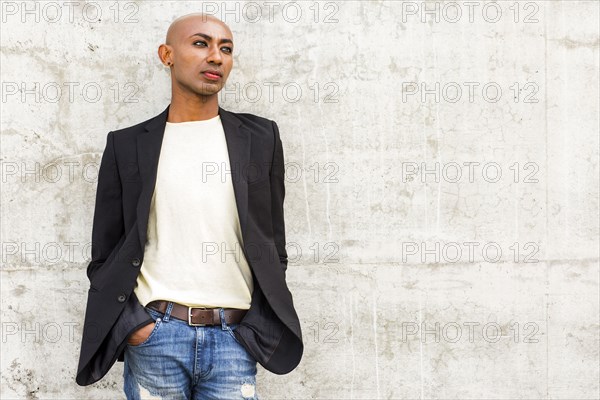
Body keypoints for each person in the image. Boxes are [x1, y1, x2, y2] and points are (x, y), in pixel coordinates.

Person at [75, 13, 303, 400]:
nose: (216, 56)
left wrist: (253, 328)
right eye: (201, 43)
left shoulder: (261, 138)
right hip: (155, 337)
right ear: (166, 54)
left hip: (235, 338)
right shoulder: (127, 145)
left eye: (225, 49)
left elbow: (272, 245)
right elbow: (106, 255)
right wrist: (135, 325)